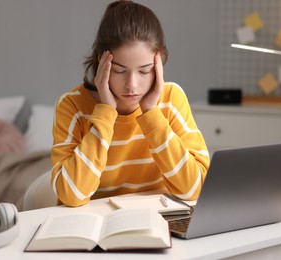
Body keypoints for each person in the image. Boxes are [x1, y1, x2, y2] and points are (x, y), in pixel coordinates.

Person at [51, 0, 210, 207]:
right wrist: (106, 113)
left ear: (158, 63)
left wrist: (151, 114)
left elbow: (195, 189)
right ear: (101, 61)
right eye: (119, 70)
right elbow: (71, 196)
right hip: (98, 226)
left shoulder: (171, 99)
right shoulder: (72, 106)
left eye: (144, 71)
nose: (132, 85)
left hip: (157, 222)